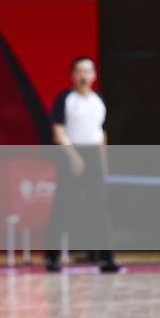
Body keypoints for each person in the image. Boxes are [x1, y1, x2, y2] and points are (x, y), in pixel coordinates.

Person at [45, 57, 119, 273]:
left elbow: (101, 133)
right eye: (79, 71)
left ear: (94, 75)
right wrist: (73, 156)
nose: (84, 76)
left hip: (93, 155)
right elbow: (58, 131)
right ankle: (52, 257)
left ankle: (107, 259)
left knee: (100, 208)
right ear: (72, 75)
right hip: (70, 153)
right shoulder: (65, 99)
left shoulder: (98, 100)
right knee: (63, 206)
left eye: (88, 71)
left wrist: (103, 164)